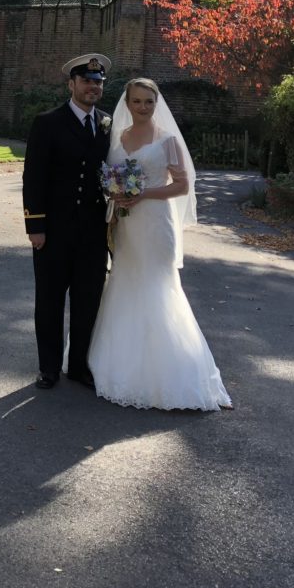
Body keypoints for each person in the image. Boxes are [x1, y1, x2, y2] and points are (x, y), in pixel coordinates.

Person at [87, 77, 232, 411]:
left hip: (155, 223)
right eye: (136, 101)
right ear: (127, 103)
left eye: (148, 102)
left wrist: (142, 195)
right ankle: (118, 362)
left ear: (156, 103)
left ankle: (169, 373)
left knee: (158, 286)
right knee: (125, 280)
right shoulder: (117, 138)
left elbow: (182, 185)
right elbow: (109, 175)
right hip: (127, 225)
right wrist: (115, 193)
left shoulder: (167, 141)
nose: (142, 107)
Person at [22, 53, 112, 390]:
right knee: (50, 300)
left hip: (93, 232)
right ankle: (48, 367)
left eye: (98, 82)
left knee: (88, 301)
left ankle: (78, 366)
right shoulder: (47, 122)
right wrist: (36, 226)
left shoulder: (108, 124)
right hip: (54, 231)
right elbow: (34, 177)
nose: (93, 86)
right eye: (87, 81)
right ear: (71, 84)